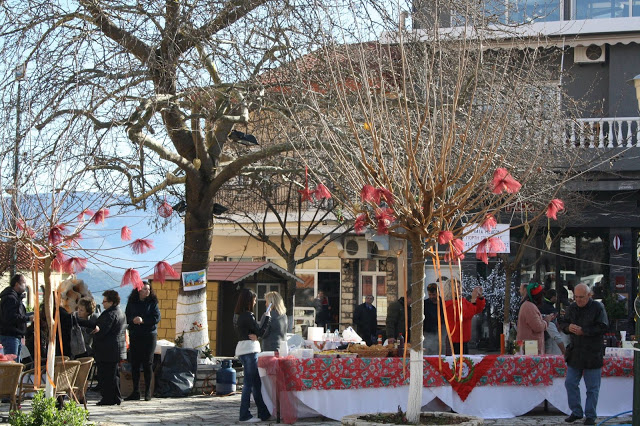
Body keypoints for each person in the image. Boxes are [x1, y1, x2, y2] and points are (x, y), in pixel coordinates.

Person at [558, 283, 608, 425]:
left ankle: (590, 415)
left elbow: (603, 326)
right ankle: (576, 411)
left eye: (581, 297)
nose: (578, 300)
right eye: (576, 297)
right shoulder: (572, 308)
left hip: (592, 353)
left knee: (592, 387)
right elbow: (562, 323)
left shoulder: (598, 308)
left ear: (589, 295)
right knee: (570, 383)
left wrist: (584, 331)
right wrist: (568, 327)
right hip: (576, 352)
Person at [234, 288, 271, 423]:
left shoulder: (239, 315)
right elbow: (260, 331)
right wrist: (267, 317)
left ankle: (263, 413)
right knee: (249, 385)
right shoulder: (248, 316)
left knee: (256, 383)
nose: (255, 302)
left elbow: (255, 333)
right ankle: (244, 414)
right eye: (254, 300)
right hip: (249, 351)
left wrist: (256, 334)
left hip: (245, 351)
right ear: (249, 301)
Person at [125, 281, 161, 401]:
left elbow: (156, 318)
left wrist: (143, 320)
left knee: (147, 363)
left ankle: (147, 392)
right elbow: (127, 316)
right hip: (135, 335)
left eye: (149, 289)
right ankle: (135, 391)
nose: (147, 291)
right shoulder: (132, 302)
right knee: (134, 363)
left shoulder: (152, 302)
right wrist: (133, 320)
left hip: (149, 335)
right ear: (139, 290)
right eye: (145, 289)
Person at [90, 290, 127, 406]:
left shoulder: (110, 314)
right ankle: (116, 397)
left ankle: (108, 398)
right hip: (116, 348)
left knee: (106, 376)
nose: (103, 303)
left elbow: (102, 331)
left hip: (107, 349)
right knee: (113, 375)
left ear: (111, 302)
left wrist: (94, 331)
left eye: (105, 301)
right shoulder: (120, 312)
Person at [442, 278, 485, 355]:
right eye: (457, 287)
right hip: (455, 339)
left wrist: (480, 297)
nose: (459, 289)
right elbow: (466, 315)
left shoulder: (462, 300)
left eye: (459, 287)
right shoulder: (449, 304)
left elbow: (476, 310)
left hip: (463, 338)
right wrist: (473, 299)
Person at [0, 274, 34, 361]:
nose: (25, 285)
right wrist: (28, 319)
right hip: (10, 336)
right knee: (12, 365)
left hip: (16, 336)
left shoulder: (16, 298)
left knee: (17, 365)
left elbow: (19, 314)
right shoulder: (10, 298)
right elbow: (11, 317)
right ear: (16, 284)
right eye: (24, 283)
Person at [516, 282, 555, 354]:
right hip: (530, 348)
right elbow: (538, 327)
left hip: (529, 347)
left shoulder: (528, 306)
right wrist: (546, 320)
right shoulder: (529, 307)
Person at [260, 291, 288, 355]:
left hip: (269, 349)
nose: (265, 304)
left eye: (266, 302)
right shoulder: (284, 316)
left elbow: (263, 333)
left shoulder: (268, 315)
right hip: (282, 348)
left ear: (271, 303)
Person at [423, 282, 445, 355]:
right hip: (427, 334)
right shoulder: (425, 304)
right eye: (430, 295)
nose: (431, 297)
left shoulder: (444, 304)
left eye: (434, 295)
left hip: (441, 334)